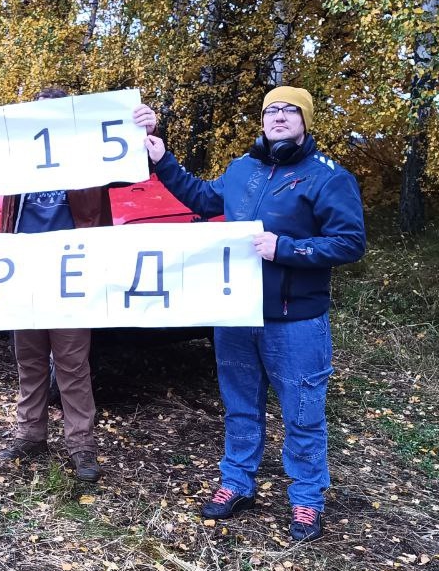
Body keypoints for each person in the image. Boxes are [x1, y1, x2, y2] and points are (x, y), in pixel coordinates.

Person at [132, 87, 365, 541]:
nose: (278, 116)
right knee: (240, 406)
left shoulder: (327, 177)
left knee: (302, 413)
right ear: (262, 119)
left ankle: (306, 500)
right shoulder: (244, 169)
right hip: (236, 313)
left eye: (289, 110)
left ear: (305, 119)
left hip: (295, 319)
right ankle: (237, 483)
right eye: (271, 110)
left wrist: (288, 248)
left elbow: (350, 242)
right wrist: (163, 161)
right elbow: (202, 199)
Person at [0, 88, 112, 483]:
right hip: (24, 276)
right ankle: (30, 435)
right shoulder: (17, 160)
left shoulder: (89, 161)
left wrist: (144, 128)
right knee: (28, 362)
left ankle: (81, 445)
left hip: (70, 278)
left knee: (73, 366)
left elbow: (129, 163)